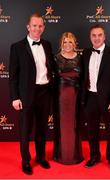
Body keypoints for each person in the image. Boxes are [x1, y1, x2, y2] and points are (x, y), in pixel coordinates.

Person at [9, 13, 55, 175]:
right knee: (25, 130)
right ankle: (26, 161)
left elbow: (51, 69)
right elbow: (13, 75)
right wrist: (15, 97)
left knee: (42, 128)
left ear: (44, 27)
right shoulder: (17, 47)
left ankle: (41, 157)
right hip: (26, 94)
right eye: (34, 25)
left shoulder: (48, 45)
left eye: (40, 25)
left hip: (45, 92)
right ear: (28, 27)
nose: (37, 28)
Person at [81, 24, 110, 172]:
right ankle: (94, 156)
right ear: (90, 37)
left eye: (99, 35)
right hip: (90, 98)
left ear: (104, 36)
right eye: (94, 35)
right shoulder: (86, 53)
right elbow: (83, 77)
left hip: (109, 101)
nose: (97, 38)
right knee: (92, 130)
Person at [53, 32, 83, 164]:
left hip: (76, 96)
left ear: (74, 43)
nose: (67, 44)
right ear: (61, 44)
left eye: (70, 42)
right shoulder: (56, 58)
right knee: (62, 125)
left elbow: (85, 78)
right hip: (60, 96)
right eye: (65, 42)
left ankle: (75, 155)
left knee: (74, 125)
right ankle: (61, 155)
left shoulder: (81, 58)